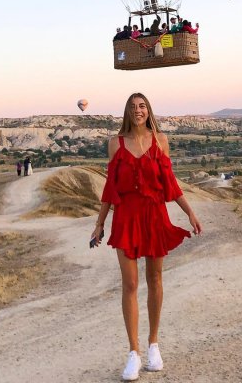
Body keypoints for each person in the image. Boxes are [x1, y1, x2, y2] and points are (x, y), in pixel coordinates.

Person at [91, 93, 202, 381]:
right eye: (132, 107)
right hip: (126, 216)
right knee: (130, 284)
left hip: (154, 214)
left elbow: (171, 184)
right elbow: (109, 187)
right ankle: (133, 353)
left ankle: (154, 345)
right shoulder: (115, 143)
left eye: (142, 106)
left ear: (148, 110)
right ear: (127, 112)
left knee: (155, 279)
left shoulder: (160, 140)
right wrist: (100, 223)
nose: (137, 110)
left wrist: (189, 212)